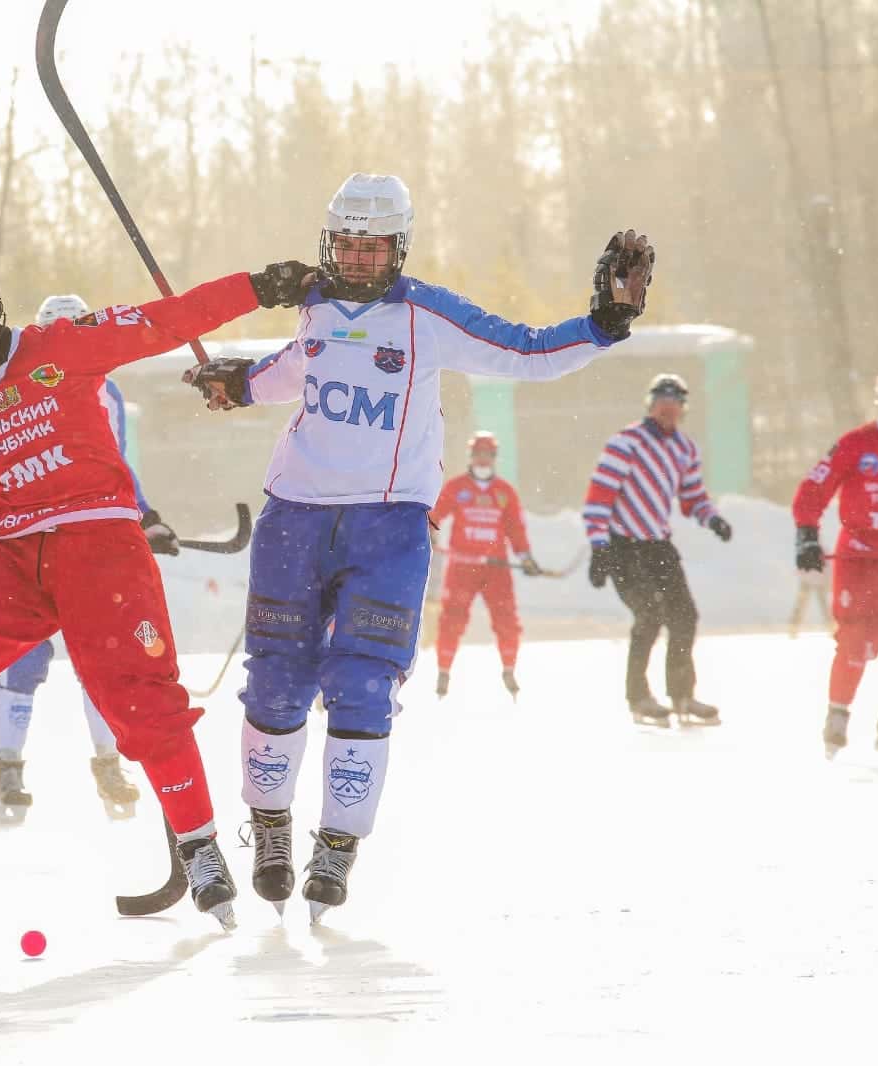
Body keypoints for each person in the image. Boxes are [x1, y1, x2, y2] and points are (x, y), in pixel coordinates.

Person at [184, 172, 653, 923]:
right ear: (328, 242)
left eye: (374, 248)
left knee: (364, 684)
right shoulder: (311, 306)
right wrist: (235, 385)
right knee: (275, 684)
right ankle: (271, 827)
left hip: (389, 526)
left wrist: (603, 321)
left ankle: (337, 845)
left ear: (399, 248)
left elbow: (526, 352)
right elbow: (290, 374)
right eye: (347, 245)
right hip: (294, 517)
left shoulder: (428, 315)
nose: (359, 260)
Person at [0, 254, 316, 930]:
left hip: (99, 546)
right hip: (13, 551)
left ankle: (202, 850)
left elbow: (167, 320)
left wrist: (257, 285)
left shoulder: (63, 346)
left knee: (142, 704)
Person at [0, 293, 174, 824]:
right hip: (31, 543)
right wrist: (24, 496)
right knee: (26, 656)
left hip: (93, 546)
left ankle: (107, 764)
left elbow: (114, 460)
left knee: (100, 658)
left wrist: (143, 516)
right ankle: (8, 766)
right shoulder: (10, 382)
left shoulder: (108, 389)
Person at [791, 360, 878, 757]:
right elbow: (815, 489)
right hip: (862, 555)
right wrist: (806, 534)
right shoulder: (857, 443)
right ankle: (838, 713)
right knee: (857, 639)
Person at [583, 373, 732, 727]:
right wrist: (599, 545)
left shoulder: (684, 447)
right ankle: (639, 697)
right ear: (650, 406)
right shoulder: (626, 443)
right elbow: (599, 495)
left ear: (683, 409)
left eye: (675, 404)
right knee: (648, 614)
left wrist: (711, 519)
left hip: (658, 547)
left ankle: (682, 694)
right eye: (661, 403)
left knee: (685, 616)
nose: (668, 410)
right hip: (623, 544)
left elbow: (692, 495)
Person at [429, 430, 543, 700]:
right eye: (477, 454)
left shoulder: (504, 492)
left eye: (487, 455)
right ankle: (444, 670)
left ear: (494, 458)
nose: (482, 460)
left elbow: (516, 528)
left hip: (497, 569)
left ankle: (509, 668)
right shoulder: (457, 488)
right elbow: (435, 515)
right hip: (462, 567)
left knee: (506, 620)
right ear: (470, 457)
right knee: (452, 619)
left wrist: (525, 556)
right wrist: (428, 532)